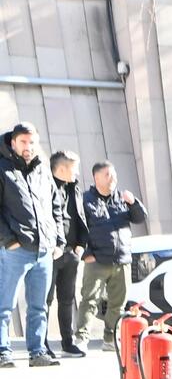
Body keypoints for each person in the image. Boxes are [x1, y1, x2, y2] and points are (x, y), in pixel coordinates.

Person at [0, 122, 61, 367]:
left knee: (39, 306)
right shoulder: (2, 168)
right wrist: (9, 240)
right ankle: (2, 351)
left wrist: (58, 240)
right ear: (13, 142)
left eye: (32, 142)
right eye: (24, 142)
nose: (28, 147)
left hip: (44, 249)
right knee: (5, 305)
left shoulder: (42, 169)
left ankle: (37, 352)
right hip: (15, 250)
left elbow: (55, 205)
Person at [75, 162, 148, 354]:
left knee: (118, 303)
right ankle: (81, 337)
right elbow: (78, 229)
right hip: (97, 259)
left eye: (114, 174)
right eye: (108, 175)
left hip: (121, 259)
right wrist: (87, 253)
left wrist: (134, 203)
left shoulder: (122, 197)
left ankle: (109, 338)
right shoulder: (86, 200)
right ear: (96, 178)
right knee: (89, 300)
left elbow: (140, 218)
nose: (113, 178)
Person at [48, 152, 88, 358]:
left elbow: (80, 216)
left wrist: (80, 245)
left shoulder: (74, 187)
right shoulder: (44, 185)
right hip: (51, 253)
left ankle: (67, 342)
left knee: (67, 300)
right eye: (74, 167)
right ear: (62, 169)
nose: (77, 172)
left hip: (71, 253)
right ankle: (41, 345)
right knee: (44, 301)